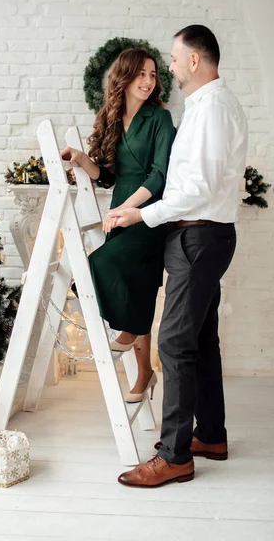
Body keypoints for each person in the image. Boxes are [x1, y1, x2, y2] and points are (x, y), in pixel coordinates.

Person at [107, 25, 248, 488]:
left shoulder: (212, 110)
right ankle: (209, 435)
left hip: (198, 238)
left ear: (193, 60)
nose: (167, 67)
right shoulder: (206, 106)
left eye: (172, 57)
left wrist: (142, 215)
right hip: (202, 237)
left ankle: (174, 456)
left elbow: (198, 189)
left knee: (172, 343)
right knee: (201, 339)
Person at [61, 48, 174, 403]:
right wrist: (82, 161)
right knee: (135, 289)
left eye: (152, 75)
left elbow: (159, 176)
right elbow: (108, 177)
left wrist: (128, 209)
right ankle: (144, 372)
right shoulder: (111, 117)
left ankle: (129, 329)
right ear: (123, 78)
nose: (147, 81)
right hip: (119, 210)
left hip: (147, 213)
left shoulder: (160, 118)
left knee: (102, 264)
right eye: (141, 74)